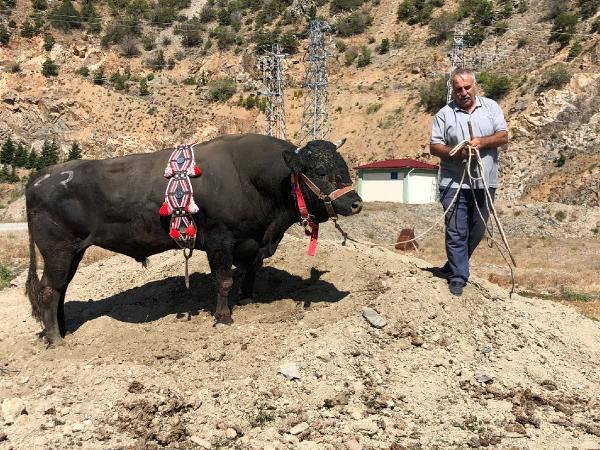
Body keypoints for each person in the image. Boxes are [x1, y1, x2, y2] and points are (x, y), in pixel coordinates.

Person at [429, 68, 509, 296]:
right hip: (453, 183)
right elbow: (434, 146)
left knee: (477, 230)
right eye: (458, 89)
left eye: (467, 87)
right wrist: (457, 153)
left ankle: (453, 265)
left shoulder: (492, 107)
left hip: (485, 182)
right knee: (456, 231)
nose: (463, 92)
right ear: (452, 91)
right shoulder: (444, 114)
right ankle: (458, 277)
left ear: (475, 86)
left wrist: (481, 142)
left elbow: (503, 136)